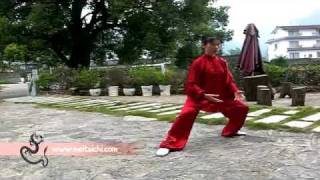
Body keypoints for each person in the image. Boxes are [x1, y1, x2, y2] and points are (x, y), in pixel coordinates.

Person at [156, 36, 249, 157]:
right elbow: (191, 84)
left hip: (219, 97)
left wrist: (235, 91)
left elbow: (228, 80)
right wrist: (203, 94)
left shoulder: (222, 62)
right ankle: (169, 144)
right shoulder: (198, 63)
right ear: (204, 45)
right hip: (199, 97)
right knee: (185, 115)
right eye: (213, 45)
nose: (216, 47)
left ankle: (231, 131)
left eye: (218, 45)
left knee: (241, 108)